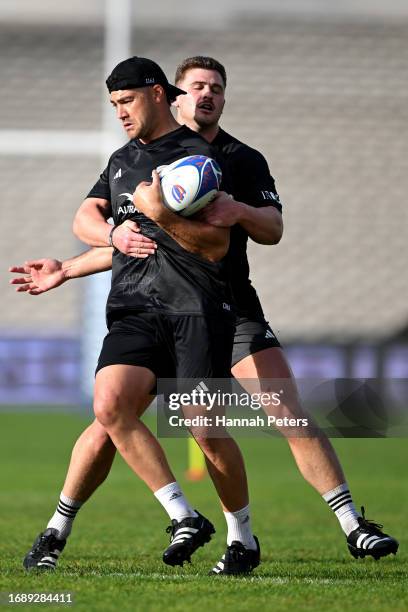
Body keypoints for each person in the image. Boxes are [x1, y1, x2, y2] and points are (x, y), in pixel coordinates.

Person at [10, 56, 398, 572]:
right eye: (197, 87)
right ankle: (63, 528)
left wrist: (233, 211)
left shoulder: (231, 160)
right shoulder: (133, 158)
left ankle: (343, 525)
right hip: (150, 308)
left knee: (270, 410)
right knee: (111, 415)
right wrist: (72, 265)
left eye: (216, 87)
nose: (206, 96)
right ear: (175, 94)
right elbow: (128, 236)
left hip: (223, 305)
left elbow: (258, 232)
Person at [13, 56, 260, 575]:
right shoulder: (122, 158)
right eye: (114, 105)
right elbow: (86, 217)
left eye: (126, 102)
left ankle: (243, 537)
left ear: (155, 93)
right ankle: (183, 516)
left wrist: (159, 214)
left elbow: (215, 246)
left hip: (195, 310)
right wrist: (107, 238)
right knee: (110, 405)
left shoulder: (199, 159)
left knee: (205, 431)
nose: (120, 113)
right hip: (134, 309)